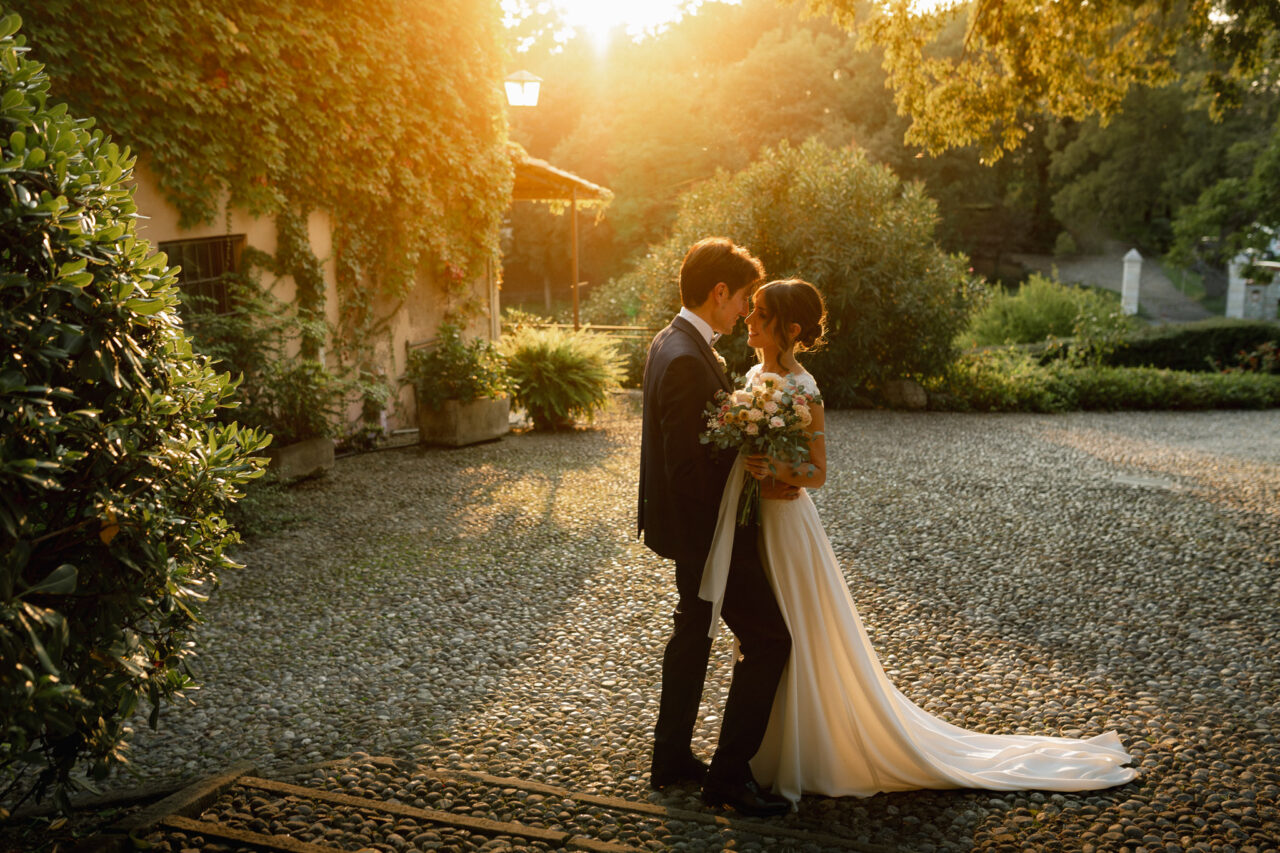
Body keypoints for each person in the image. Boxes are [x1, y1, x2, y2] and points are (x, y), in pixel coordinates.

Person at [700, 278, 1138, 804]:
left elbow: (816, 473)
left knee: (798, 635)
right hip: (756, 526)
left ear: (788, 329)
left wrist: (777, 468)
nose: (748, 319)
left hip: (789, 529)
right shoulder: (753, 376)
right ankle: (759, 754)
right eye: (749, 311)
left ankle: (811, 748)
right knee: (766, 641)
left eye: (760, 313)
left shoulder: (803, 387)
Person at [638, 237, 796, 818]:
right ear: (719, 291)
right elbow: (685, 467)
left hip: (693, 531)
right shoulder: (684, 357)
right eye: (742, 300)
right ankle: (728, 778)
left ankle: (671, 757)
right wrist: (746, 464)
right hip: (707, 533)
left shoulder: (671, 341)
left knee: (692, 634)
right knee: (769, 641)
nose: (744, 313)